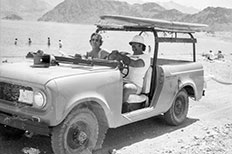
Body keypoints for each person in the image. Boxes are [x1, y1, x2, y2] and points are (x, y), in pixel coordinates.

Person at [123, 35, 150, 109]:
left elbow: (135, 63)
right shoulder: (129, 56)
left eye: (135, 44)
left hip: (136, 85)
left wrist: (122, 57)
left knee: (126, 88)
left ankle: (123, 110)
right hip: (125, 80)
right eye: (132, 44)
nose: (133, 46)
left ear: (141, 46)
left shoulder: (145, 57)